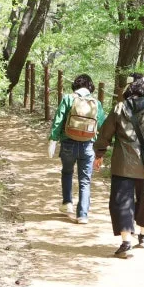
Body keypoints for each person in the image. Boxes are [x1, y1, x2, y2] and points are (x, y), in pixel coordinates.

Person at [93, 74, 144, 258]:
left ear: (128, 91)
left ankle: (126, 242)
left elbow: (105, 133)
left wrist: (99, 154)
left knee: (121, 201)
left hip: (122, 164)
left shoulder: (120, 108)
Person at [48, 74, 106, 224]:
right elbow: (102, 126)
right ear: (90, 87)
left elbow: (58, 120)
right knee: (85, 180)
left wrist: (53, 139)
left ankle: (67, 203)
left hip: (68, 143)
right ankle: (82, 215)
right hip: (88, 145)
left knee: (67, 172)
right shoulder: (96, 103)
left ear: (75, 85)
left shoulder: (68, 99)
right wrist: (102, 149)